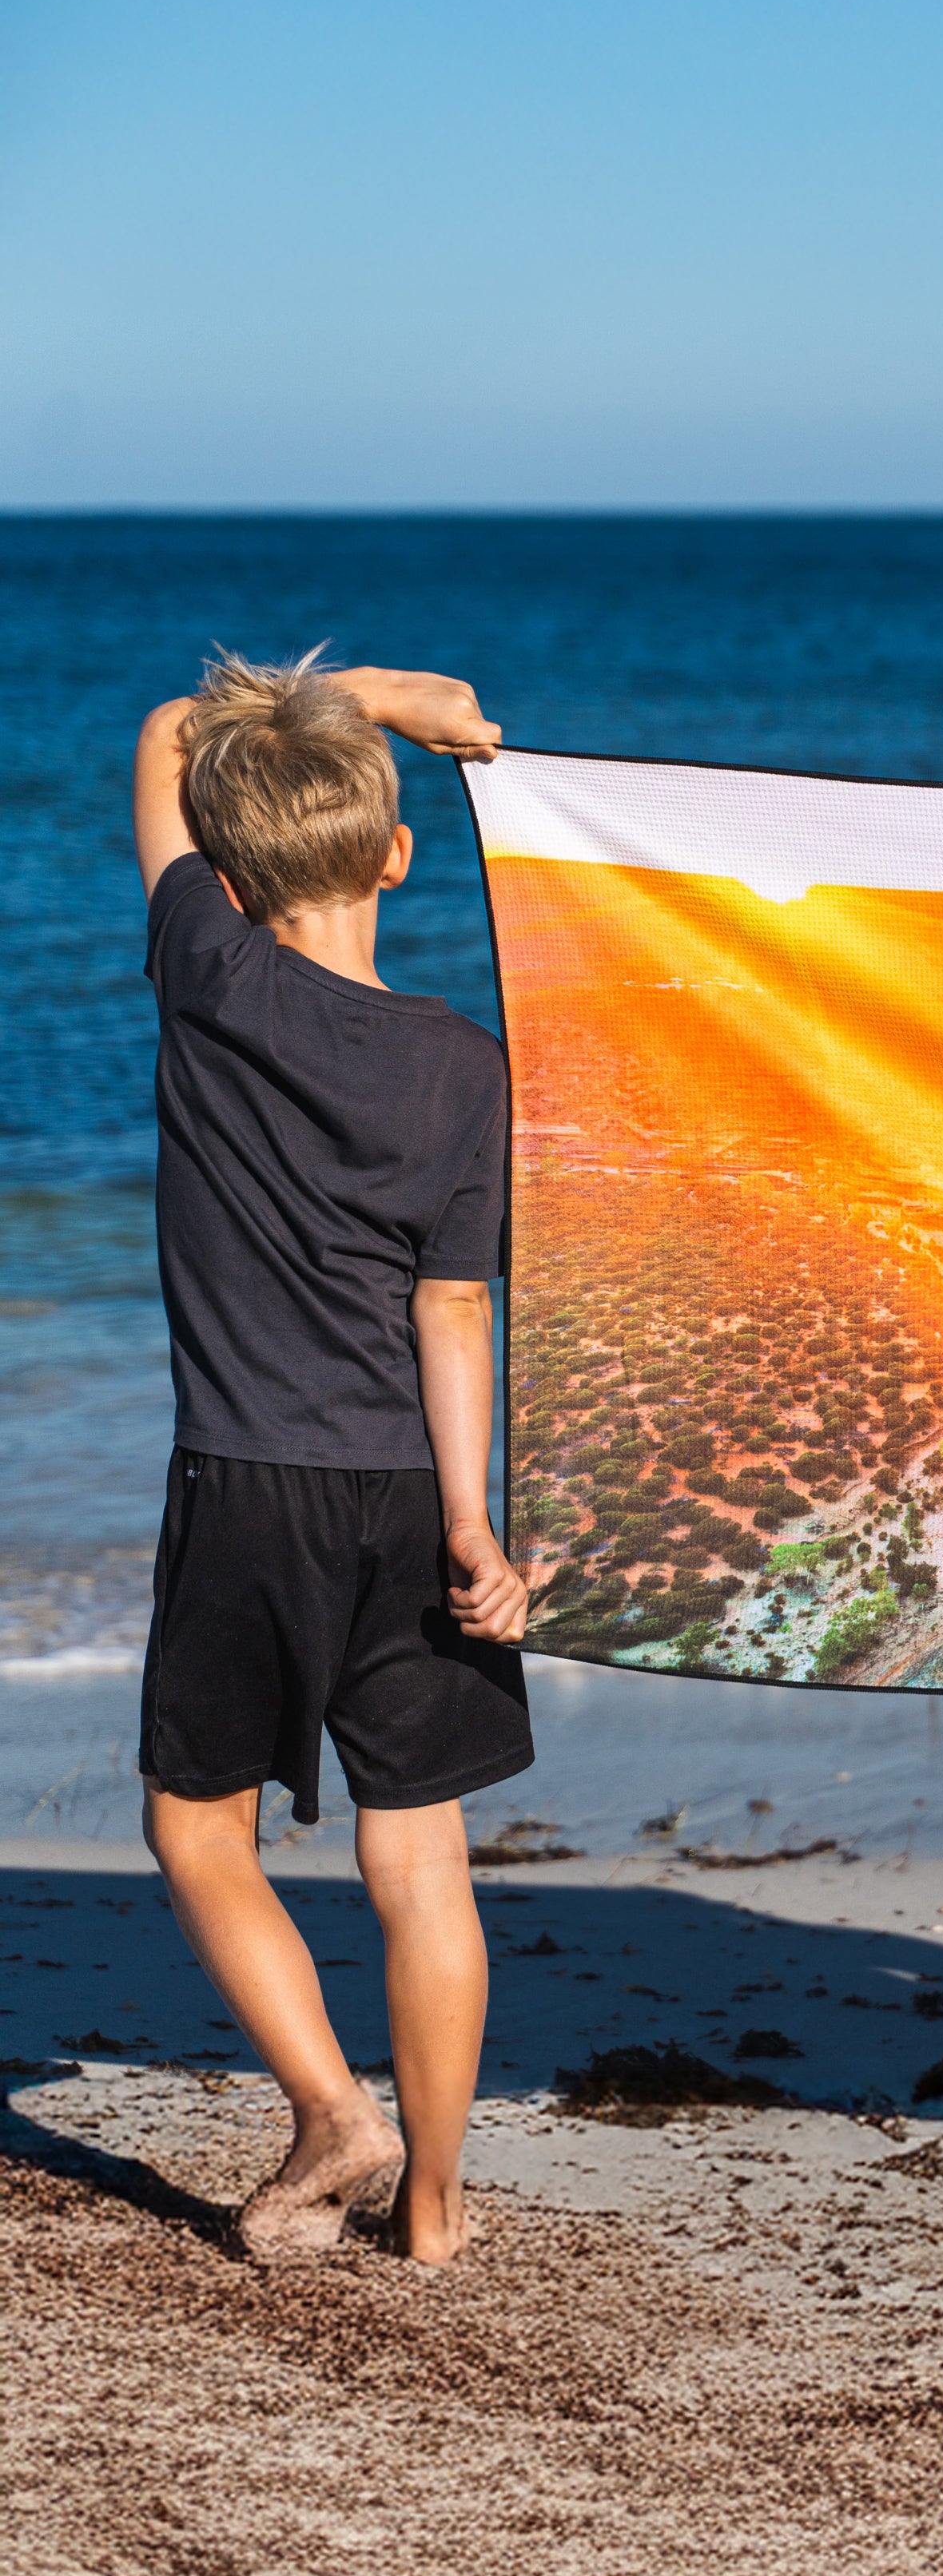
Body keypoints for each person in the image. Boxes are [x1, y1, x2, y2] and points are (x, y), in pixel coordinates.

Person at [132, 650, 526, 2265]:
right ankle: (431, 2212)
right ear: (400, 857)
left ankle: (332, 2111)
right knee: (419, 1858)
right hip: (399, 1493)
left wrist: (370, 696)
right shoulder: (465, 1067)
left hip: (244, 1481)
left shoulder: (207, 968)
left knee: (196, 1829)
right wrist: (473, 1528)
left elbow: (165, 726)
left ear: (224, 877)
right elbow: (453, 1311)